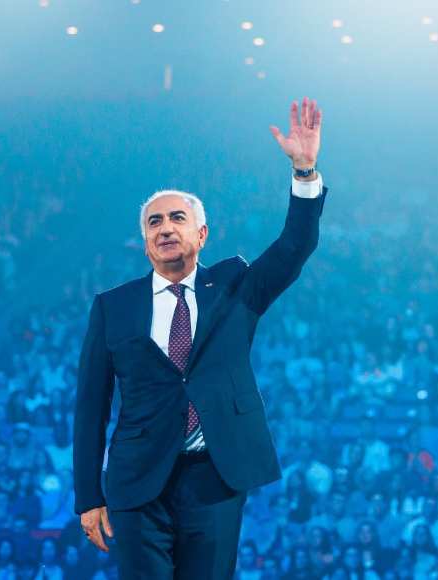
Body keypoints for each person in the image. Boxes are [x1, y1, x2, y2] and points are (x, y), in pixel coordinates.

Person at [73, 97, 328, 579]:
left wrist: (304, 171)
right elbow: (91, 407)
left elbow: (295, 246)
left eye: (177, 218)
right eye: (154, 222)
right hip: (136, 480)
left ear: (202, 234)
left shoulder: (236, 287)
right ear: (145, 242)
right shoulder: (113, 306)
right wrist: (88, 495)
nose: (165, 228)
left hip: (215, 475)